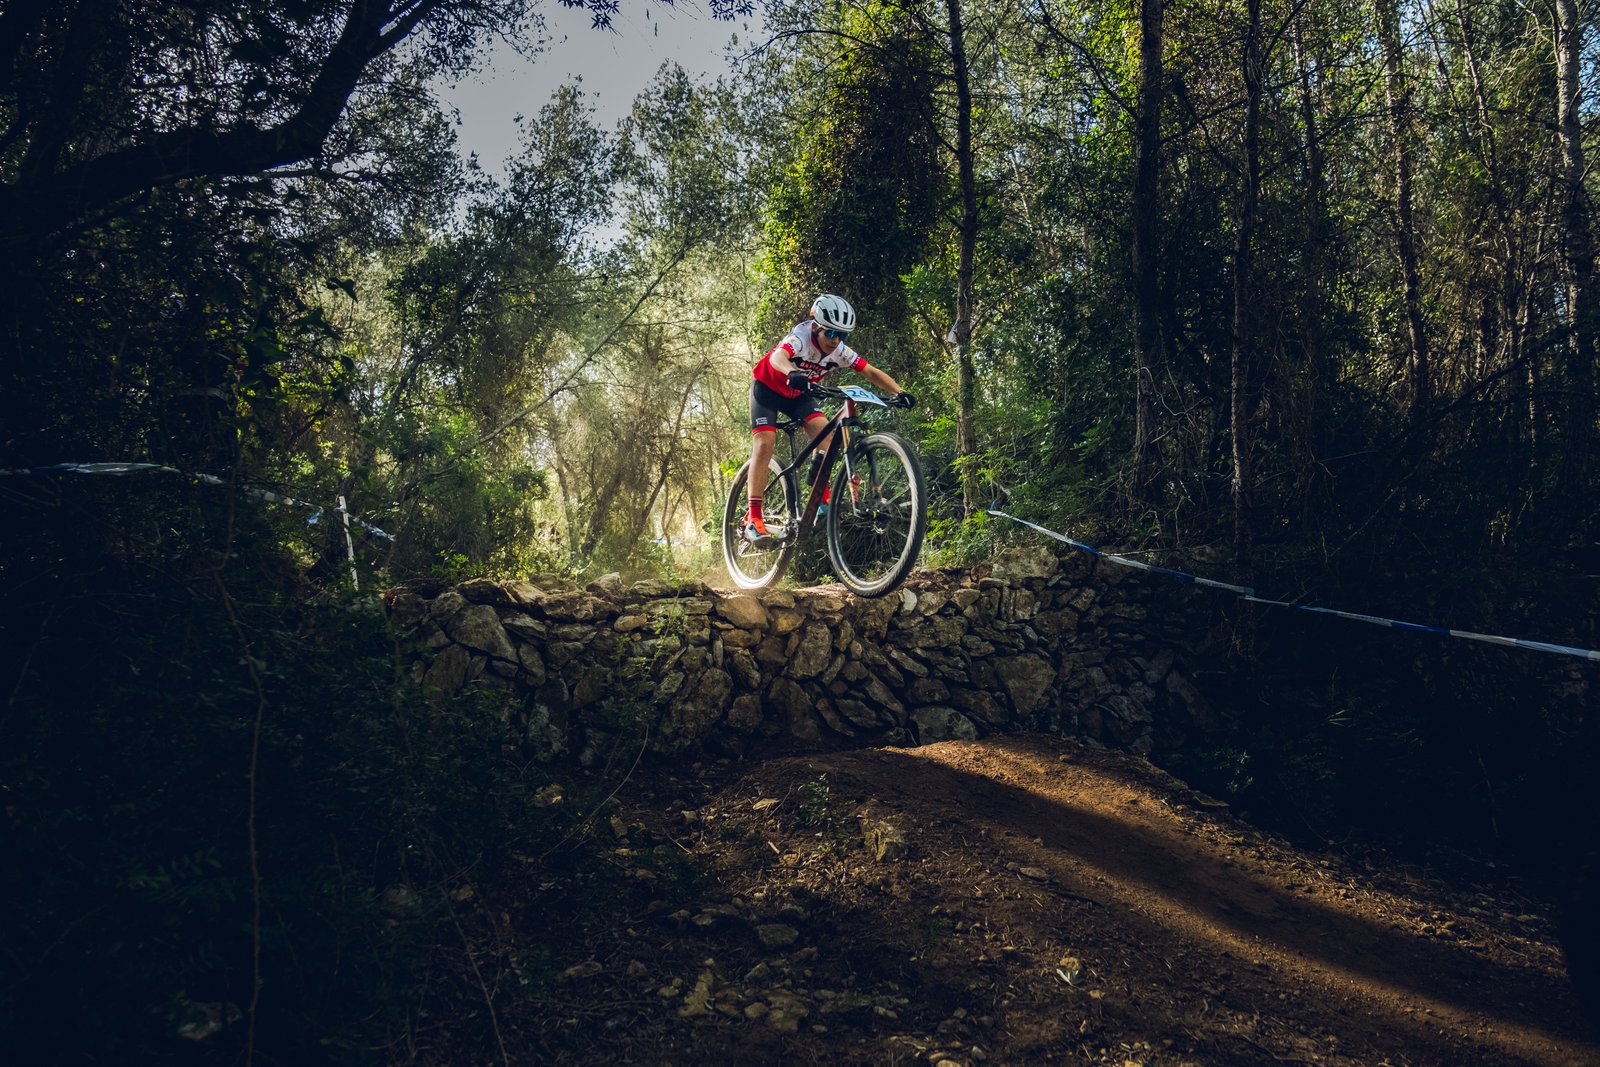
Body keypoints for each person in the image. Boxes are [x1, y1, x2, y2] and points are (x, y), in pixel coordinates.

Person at [744, 293, 915, 545]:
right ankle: (753, 518)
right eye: (831, 334)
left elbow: (869, 371)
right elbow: (776, 357)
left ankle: (822, 500)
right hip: (767, 390)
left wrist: (899, 392)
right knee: (765, 444)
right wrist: (792, 371)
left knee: (829, 440)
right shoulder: (800, 338)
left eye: (842, 335)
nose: (836, 341)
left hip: (797, 395)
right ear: (816, 327)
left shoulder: (840, 351)